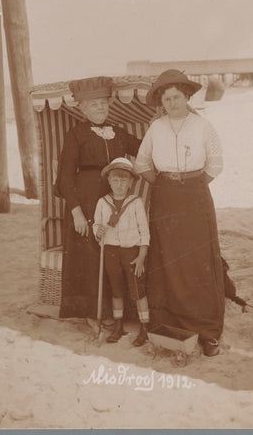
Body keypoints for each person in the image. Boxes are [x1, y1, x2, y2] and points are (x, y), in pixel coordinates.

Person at [134, 69, 225, 356]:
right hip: (165, 197)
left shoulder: (202, 126)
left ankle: (208, 331)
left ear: (187, 97)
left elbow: (216, 164)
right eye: (166, 98)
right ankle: (168, 321)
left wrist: (191, 185)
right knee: (167, 258)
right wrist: (166, 184)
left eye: (176, 97)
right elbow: (142, 163)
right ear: (161, 102)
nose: (172, 103)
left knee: (199, 259)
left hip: (196, 196)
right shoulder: (156, 127)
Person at [55, 77, 141, 319]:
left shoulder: (119, 133)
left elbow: (143, 149)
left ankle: (119, 313)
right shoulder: (75, 135)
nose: (101, 109)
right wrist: (77, 213)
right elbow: (64, 178)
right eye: (94, 105)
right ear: (82, 108)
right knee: (91, 258)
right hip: (86, 204)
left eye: (104, 103)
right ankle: (93, 313)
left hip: (116, 199)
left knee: (116, 252)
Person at [93, 158, 150, 347]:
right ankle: (118, 326)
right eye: (115, 180)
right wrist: (97, 230)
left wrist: (141, 256)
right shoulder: (103, 202)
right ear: (109, 181)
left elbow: (144, 231)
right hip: (110, 250)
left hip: (132, 252)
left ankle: (144, 328)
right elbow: (97, 224)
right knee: (116, 289)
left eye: (124, 181)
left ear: (131, 183)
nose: (119, 185)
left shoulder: (135, 203)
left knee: (137, 290)